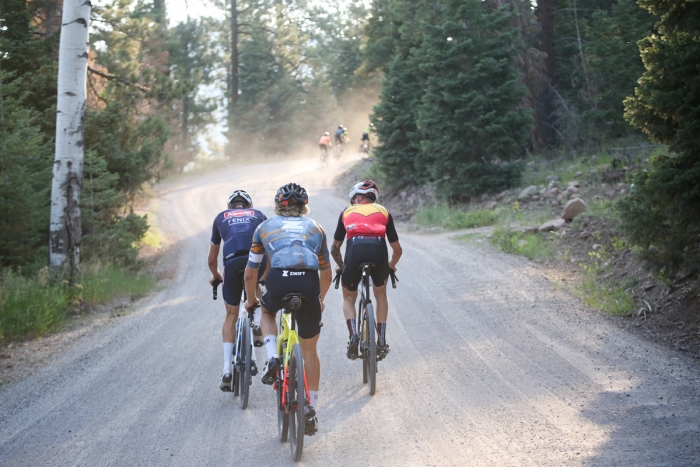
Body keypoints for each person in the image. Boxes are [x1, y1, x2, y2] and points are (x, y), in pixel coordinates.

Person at [243, 183, 332, 435]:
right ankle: (311, 410)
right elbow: (327, 273)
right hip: (308, 281)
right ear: (304, 206)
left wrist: (252, 300)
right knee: (310, 351)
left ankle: (272, 356)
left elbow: (251, 273)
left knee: (267, 311)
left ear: (277, 205)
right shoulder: (316, 227)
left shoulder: (264, 227)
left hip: (279, 279)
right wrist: (320, 299)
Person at [330, 180, 402, 361]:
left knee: (349, 297)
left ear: (356, 198)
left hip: (355, 251)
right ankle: (382, 340)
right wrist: (391, 265)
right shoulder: (384, 211)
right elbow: (397, 250)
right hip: (379, 250)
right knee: (380, 294)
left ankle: (354, 334)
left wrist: (342, 265)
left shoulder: (346, 212)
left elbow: (335, 249)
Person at [208, 190, 268, 391]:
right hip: (255, 260)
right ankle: (259, 323)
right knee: (257, 286)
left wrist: (216, 276)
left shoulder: (220, 217)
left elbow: (211, 259)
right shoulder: (258, 214)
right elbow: (269, 248)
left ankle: (226, 369)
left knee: (231, 315)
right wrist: (266, 275)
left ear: (230, 206)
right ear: (248, 205)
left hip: (231, 263)